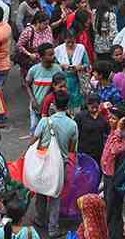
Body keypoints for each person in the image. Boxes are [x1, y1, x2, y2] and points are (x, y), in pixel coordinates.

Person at [33, 90, 77, 239]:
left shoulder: (44, 121)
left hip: (43, 163)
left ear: (53, 104)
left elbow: (34, 141)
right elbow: (72, 148)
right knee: (55, 195)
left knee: (40, 191)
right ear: (67, 105)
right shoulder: (72, 125)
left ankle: (40, 219)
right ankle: (53, 229)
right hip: (60, 166)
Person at [102, 107, 125, 239]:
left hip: (115, 177)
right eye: (110, 117)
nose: (110, 120)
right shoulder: (115, 131)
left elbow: (114, 150)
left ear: (122, 121)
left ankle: (114, 234)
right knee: (109, 206)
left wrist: (117, 130)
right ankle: (108, 231)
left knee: (114, 208)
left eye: (114, 118)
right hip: (108, 173)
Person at [25, 43, 62, 135]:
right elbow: (27, 84)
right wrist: (33, 100)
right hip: (36, 106)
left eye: (53, 54)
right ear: (42, 57)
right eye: (50, 55)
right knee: (35, 132)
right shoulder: (34, 70)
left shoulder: (58, 69)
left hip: (52, 107)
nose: (53, 56)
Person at [54, 27, 90, 110]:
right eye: (68, 42)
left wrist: (79, 67)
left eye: (72, 42)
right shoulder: (58, 50)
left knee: (77, 103)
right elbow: (54, 65)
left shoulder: (81, 49)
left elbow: (87, 64)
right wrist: (62, 66)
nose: (70, 44)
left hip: (78, 81)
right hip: (63, 81)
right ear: (64, 39)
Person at [74, 94, 109, 164]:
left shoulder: (103, 118)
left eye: (96, 105)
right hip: (84, 152)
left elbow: (107, 132)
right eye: (91, 104)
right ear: (87, 105)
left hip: (98, 153)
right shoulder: (80, 116)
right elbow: (74, 132)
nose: (94, 107)